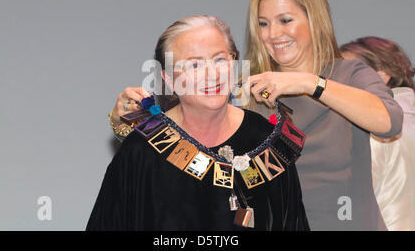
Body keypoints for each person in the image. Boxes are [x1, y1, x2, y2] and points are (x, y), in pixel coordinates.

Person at [110, 0, 403, 230]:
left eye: (285, 20)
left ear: (315, 19)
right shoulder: (247, 89)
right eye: (263, 23)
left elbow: (388, 121)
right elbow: (183, 139)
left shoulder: (350, 74)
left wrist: (308, 82)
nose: (273, 34)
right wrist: (123, 121)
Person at [87, 15, 310, 230]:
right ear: (168, 80)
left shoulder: (267, 141)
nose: (212, 75)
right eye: (194, 65)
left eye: (220, 60)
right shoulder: (141, 151)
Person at [340, 36, 415, 231]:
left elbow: (349, 202)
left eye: (350, 73)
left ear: (382, 77)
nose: (337, 83)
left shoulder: (370, 129)